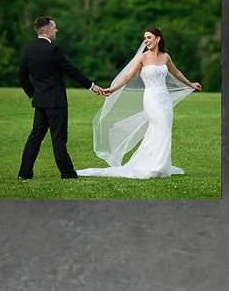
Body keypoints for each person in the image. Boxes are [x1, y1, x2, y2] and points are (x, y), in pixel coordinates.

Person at [80, 29, 198, 178]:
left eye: (149, 37)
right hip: (151, 98)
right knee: (161, 127)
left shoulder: (165, 56)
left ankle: (159, 164)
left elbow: (177, 73)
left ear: (158, 39)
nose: (146, 41)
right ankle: (156, 166)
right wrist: (113, 89)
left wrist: (190, 84)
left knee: (163, 130)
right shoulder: (142, 58)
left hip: (164, 99)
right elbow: (128, 76)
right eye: (145, 38)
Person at [16, 16, 99, 180]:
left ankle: (24, 173)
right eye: (54, 28)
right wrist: (92, 86)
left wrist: (34, 93)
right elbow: (71, 70)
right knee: (59, 139)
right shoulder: (53, 50)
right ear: (47, 30)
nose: (56, 30)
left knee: (35, 137)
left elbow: (22, 76)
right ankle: (67, 173)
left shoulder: (30, 50)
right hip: (56, 102)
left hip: (40, 102)